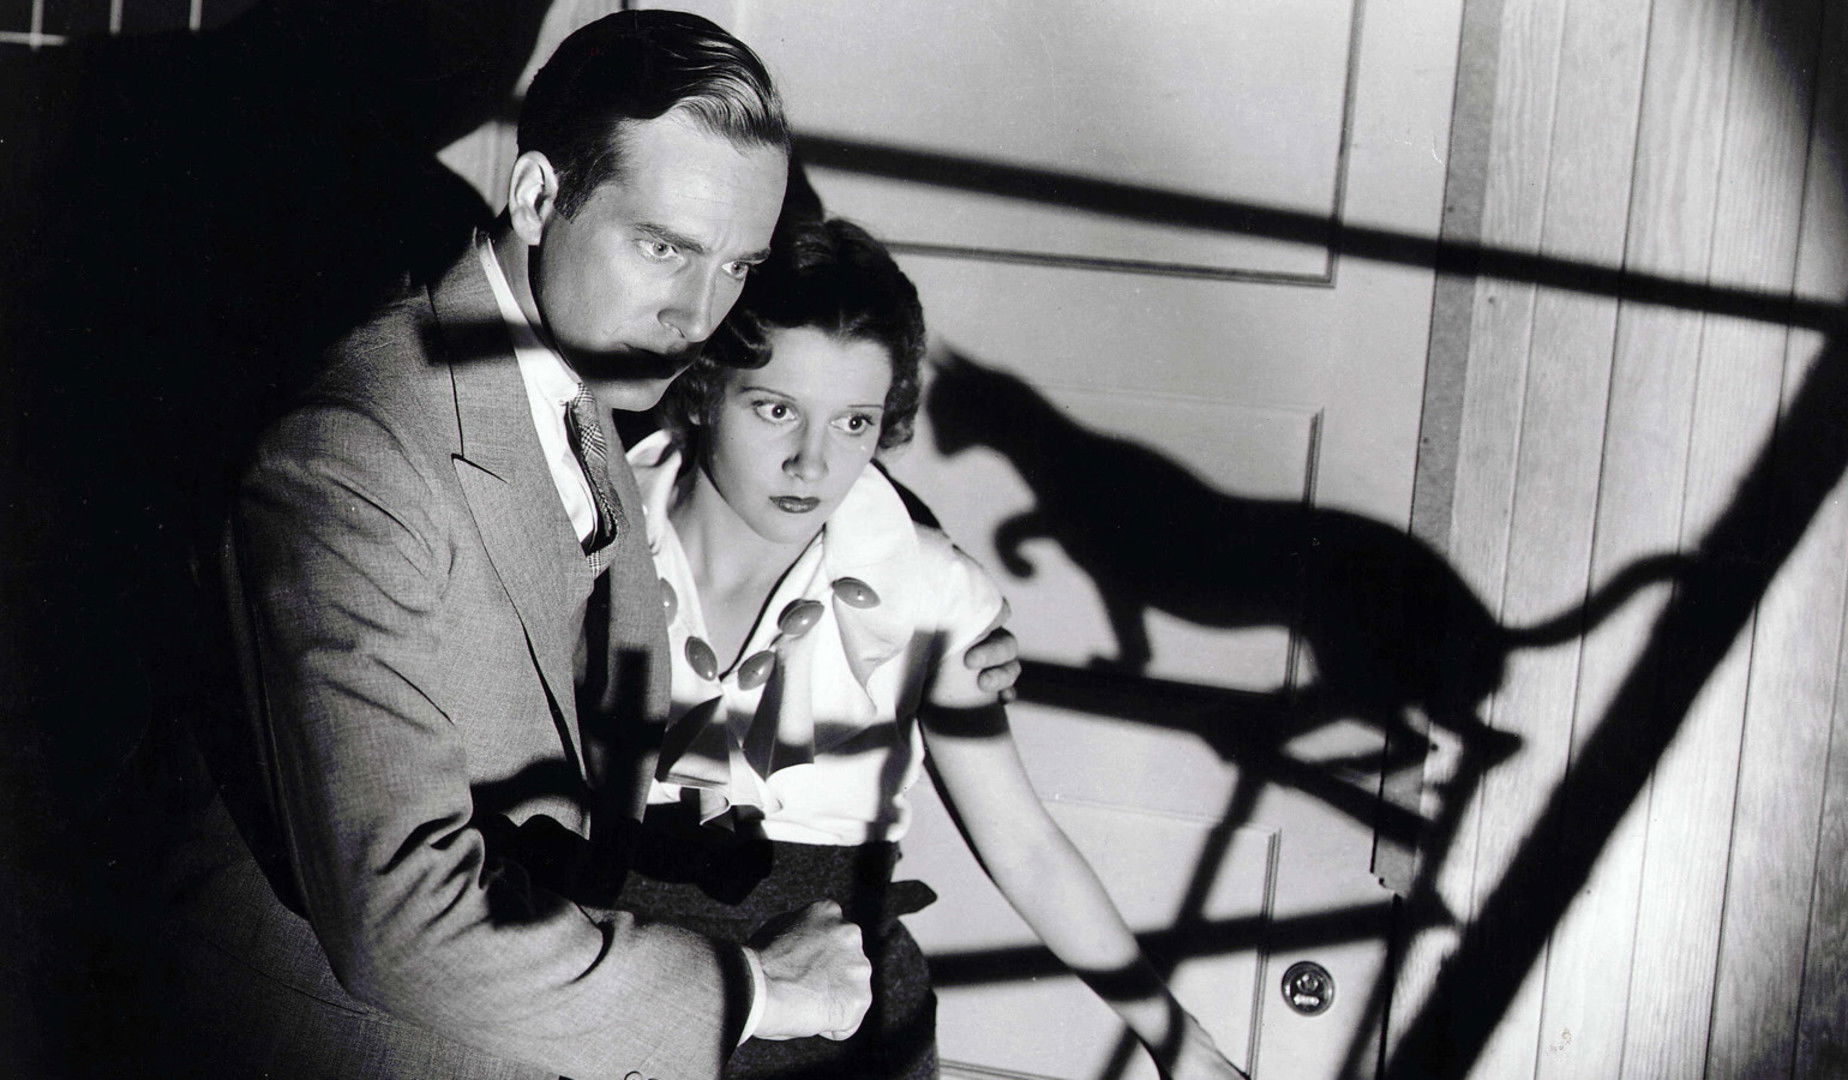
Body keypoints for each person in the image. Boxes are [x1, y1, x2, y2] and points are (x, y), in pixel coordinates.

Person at [166, 12, 1019, 1080]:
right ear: (535, 197)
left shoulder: (580, 361)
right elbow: (404, 924)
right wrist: (757, 991)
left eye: (738, 266)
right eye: (664, 247)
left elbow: (786, 431)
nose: (698, 314)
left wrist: (927, 580)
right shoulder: (358, 459)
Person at [612, 217, 1247, 1080]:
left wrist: (1176, 1037)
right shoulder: (588, 525)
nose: (811, 463)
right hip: (611, 980)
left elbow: (1023, 844)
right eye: (776, 409)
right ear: (701, 389)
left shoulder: (931, 591)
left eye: (854, 422)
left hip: (839, 1023)